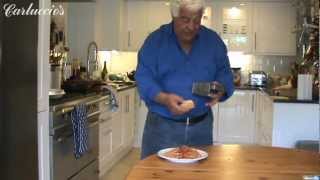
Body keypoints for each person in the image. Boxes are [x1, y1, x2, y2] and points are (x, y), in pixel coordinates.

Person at [135, 0, 234, 159]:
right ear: (174, 16)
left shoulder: (213, 41)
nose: (192, 26)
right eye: (185, 20)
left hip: (201, 128)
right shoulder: (155, 41)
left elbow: (225, 73)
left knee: (199, 174)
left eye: (197, 20)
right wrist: (165, 98)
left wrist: (221, 89)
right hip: (161, 128)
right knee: (156, 174)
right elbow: (143, 78)